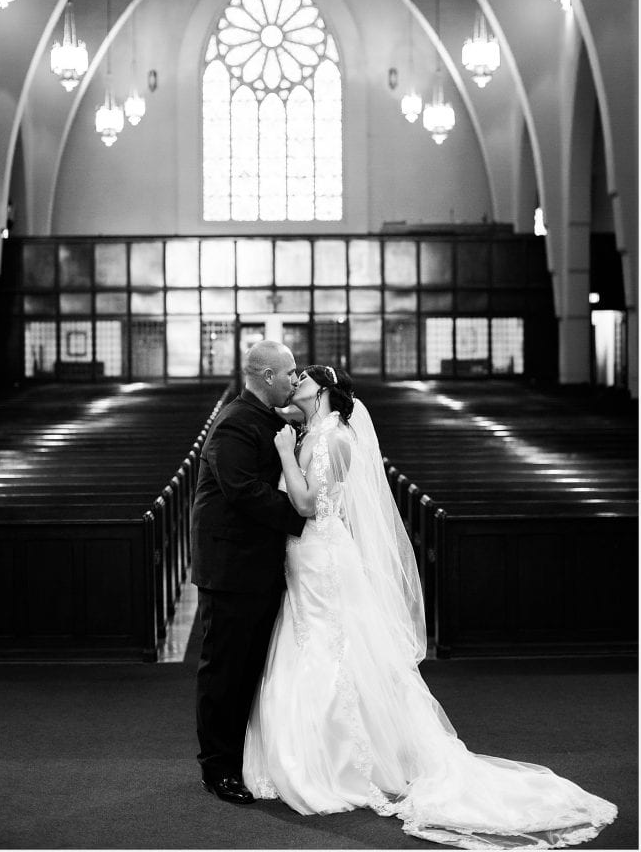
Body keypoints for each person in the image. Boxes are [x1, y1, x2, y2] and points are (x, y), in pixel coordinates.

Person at [243, 365, 618, 849]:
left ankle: (341, 761)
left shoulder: (332, 439)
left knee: (330, 647)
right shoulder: (311, 431)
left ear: (323, 390)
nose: (294, 384)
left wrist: (282, 456)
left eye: (302, 380)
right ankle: (312, 749)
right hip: (308, 556)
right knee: (308, 641)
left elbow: (309, 505)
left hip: (322, 556)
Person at [191, 341, 305, 805]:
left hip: (255, 565)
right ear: (266, 376)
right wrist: (307, 515)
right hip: (231, 568)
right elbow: (243, 490)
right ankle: (217, 769)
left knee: (249, 669)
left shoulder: (266, 417)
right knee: (225, 672)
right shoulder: (236, 422)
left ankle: (241, 760)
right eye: (289, 373)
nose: (295, 380)